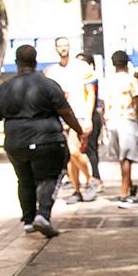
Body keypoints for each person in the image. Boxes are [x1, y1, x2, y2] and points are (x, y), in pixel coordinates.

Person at [0, 44, 82, 237]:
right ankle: (43, 215)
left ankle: (28, 220)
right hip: (47, 139)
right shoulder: (48, 85)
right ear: (35, 61)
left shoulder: (2, 90)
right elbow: (66, 112)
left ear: (17, 63)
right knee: (49, 177)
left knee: (24, 180)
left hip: (16, 142)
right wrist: (79, 130)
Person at [103, 49, 138, 208]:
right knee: (126, 158)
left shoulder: (105, 81)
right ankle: (124, 194)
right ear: (127, 63)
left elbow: (104, 104)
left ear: (113, 64)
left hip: (111, 121)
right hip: (127, 121)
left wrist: (105, 125)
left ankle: (130, 187)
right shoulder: (131, 81)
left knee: (122, 158)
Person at [44, 37, 96, 202]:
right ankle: (76, 189)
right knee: (69, 156)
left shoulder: (82, 67)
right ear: (56, 48)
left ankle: (90, 179)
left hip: (78, 116)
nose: (63, 48)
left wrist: (88, 117)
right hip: (59, 119)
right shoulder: (52, 71)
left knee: (73, 151)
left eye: (65, 45)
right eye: (60, 46)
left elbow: (91, 93)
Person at [76, 53, 103, 191]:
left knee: (91, 150)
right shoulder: (74, 78)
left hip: (90, 117)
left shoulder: (91, 78)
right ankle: (84, 179)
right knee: (75, 152)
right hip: (76, 118)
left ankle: (95, 178)